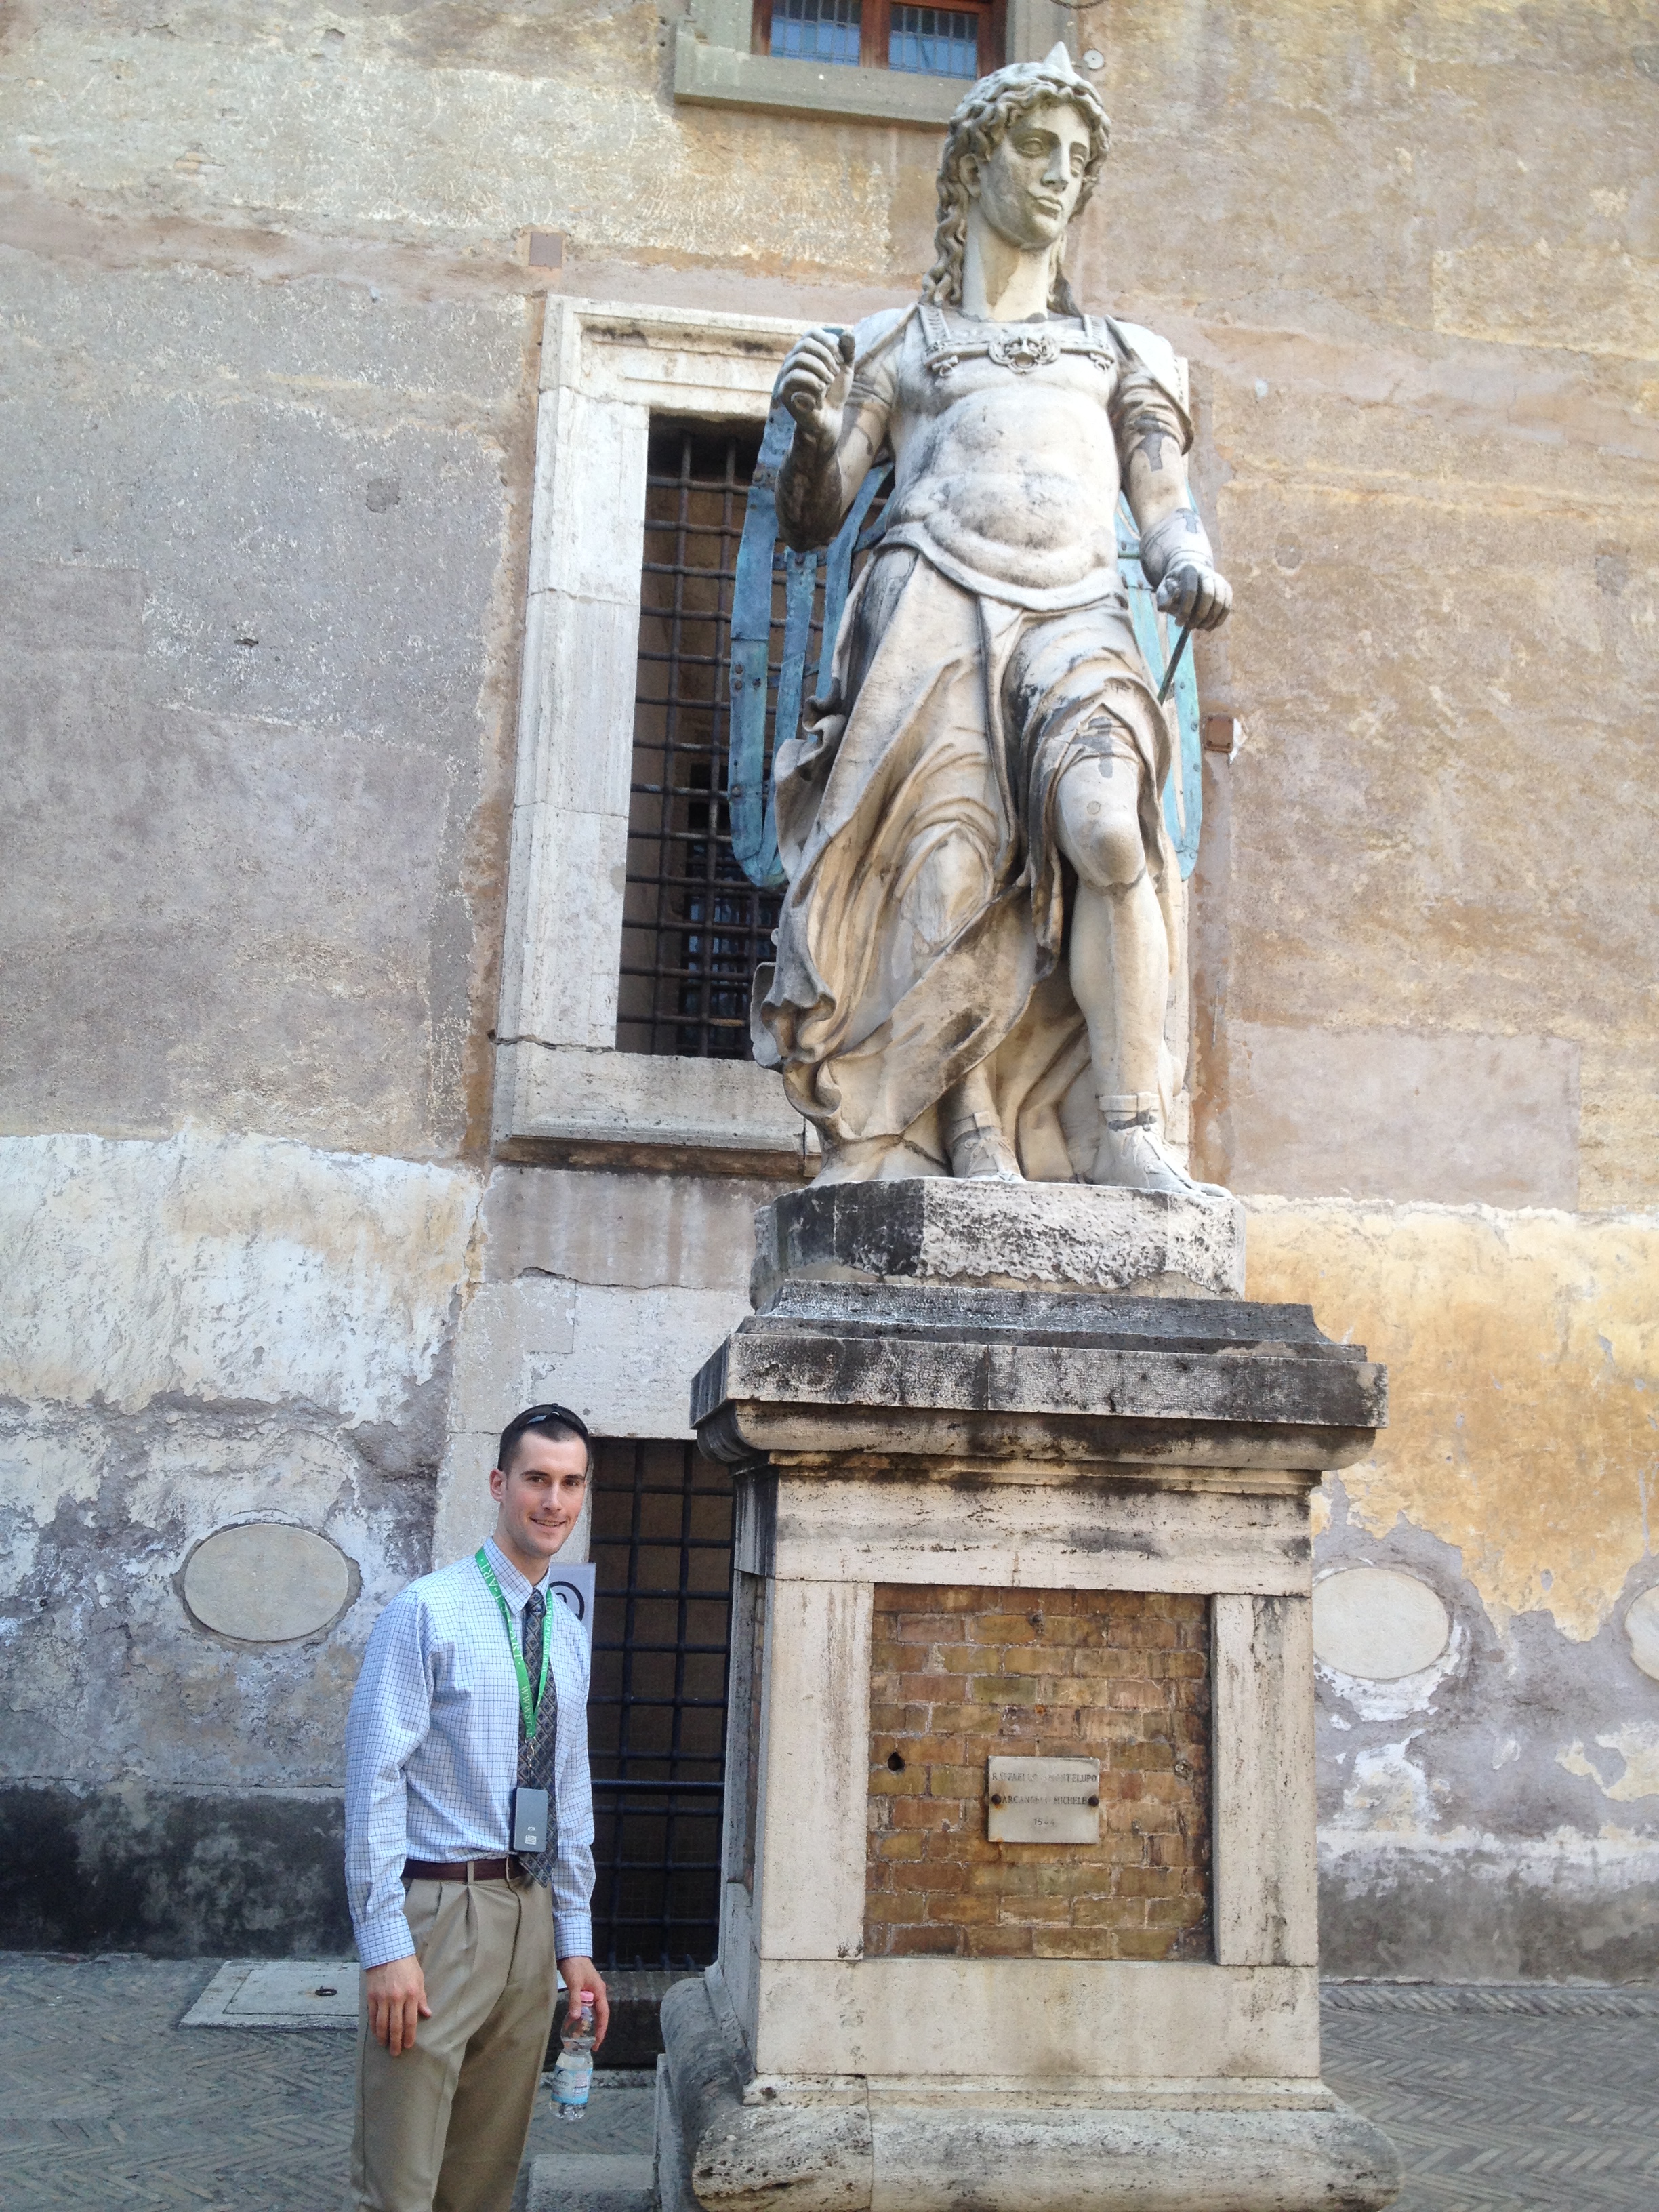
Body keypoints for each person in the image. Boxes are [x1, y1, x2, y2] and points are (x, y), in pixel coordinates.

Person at [756, 47, 1233, 1194]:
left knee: (1108, 826)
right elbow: (814, 513)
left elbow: (1164, 504)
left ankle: (1129, 1129)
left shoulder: (1123, 355)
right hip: (932, 610)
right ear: (975, 166)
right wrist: (813, 433)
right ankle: (964, 1125)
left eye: (1076, 157)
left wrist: (1186, 565)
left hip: (1078, 609)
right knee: (946, 874)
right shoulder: (901, 343)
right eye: (1035, 147)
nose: (1060, 173)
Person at [344, 1403, 609, 2212]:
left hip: (529, 1914)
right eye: (536, 1479)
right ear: (499, 1484)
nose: (553, 1502)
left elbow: (570, 1791)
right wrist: (385, 1945)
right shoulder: (427, 1610)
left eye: (570, 1484)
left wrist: (574, 1942)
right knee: (401, 2181)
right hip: (440, 1911)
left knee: (484, 2183)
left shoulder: (565, 1631)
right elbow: (374, 1778)